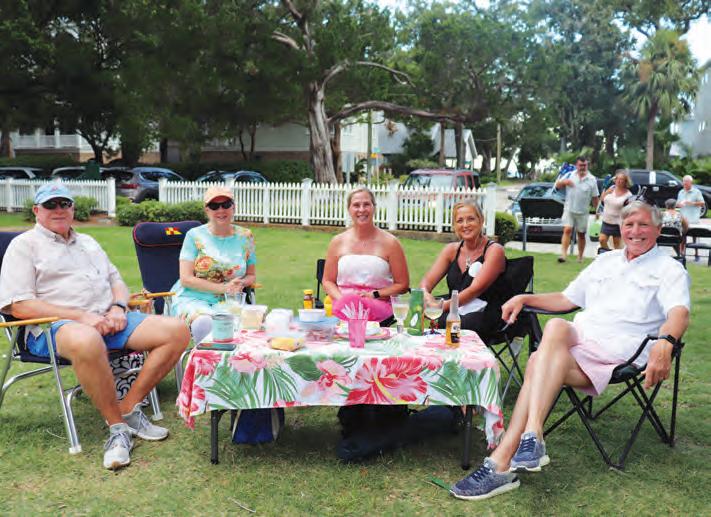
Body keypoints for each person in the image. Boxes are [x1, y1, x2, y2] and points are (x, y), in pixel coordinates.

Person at [450, 200, 690, 500]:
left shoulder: (669, 269)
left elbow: (679, 313)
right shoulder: (606, 261)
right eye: (629, 224)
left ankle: (503, 459)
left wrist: (666, 343)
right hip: (579, 342)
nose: (635, 231)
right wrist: (525, 298)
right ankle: (532, 436)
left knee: (538, 359)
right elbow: (567, 299)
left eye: (643, 225)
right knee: (556, 327)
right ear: (620, 227)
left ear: (658, 228)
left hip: (618, 354)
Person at [0, 183, 190, 470]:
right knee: (87, 339)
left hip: (106, 319)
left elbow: (117, 282)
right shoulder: (24, 246)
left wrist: (118, 308)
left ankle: (128, 408)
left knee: (177, 330)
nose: (59, 210)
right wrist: (81, 317)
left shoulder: (88, 242)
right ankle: (117, 429)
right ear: (37, 210)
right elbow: (19, 305)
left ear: (72, 208)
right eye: (50, 205)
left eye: (64, 204)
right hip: (54, 327)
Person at [169, 186, 257, 344]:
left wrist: (241, 283)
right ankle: (207, 359)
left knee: (254, 324)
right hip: (193, 298)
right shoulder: (194, 236)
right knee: (205, 322)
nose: (221, 210)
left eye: (226, 204)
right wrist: (224, 288)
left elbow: (251, 275)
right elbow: (186, 279)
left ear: (233, 207)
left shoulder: (245, 236)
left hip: (230, 301)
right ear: (207, 210)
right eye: (214, 206)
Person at [419, 199, 507, 342]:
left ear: (481, 220)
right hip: (455, 310)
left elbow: (474, 290)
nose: (465, 225)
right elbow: (426, 283)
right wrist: (426, 296)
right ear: (454, 225)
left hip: (485, 313)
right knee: (425, 319)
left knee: (453, 323)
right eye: (460, 221)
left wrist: (440, 307)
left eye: (470, 219)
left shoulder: (494, 250)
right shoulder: (451, 250)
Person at [322, 187, 409, 321]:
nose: (361, 209)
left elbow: (402, 285)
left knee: (358, 308)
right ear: (349, 209)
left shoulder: (391, 243)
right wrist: (342, 299)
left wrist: (375, 294)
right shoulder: (337, 242)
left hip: (377, 305)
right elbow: (327, 281)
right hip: (342, 307)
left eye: (366, 204)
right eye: (356, 205)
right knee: (347, 307)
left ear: (374, 207)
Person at [554, 156, 599, 262]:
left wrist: (597, 211)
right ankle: (563, 255)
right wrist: (564, 182)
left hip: (583, 211)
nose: (582, 167)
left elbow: (595, 197)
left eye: (585, 165)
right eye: (580, 165)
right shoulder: (569, 175)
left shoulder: (592, 179)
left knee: (581, 234)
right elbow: (557, 186)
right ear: (576, 165)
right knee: (567, 230)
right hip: (569, 208)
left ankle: (580, 256)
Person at [598, 169, 633, 250]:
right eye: (617, 179)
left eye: (622, 179)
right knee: (602, 240)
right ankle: (609, 254)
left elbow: (629, 210)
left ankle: (616, 256)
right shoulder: (611, 188)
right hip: (606, 220)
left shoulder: (628, 195)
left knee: (617, 244)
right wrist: (606, 192)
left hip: (618, 223)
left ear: (625, 182)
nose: (619, 181)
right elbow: (602, 199)